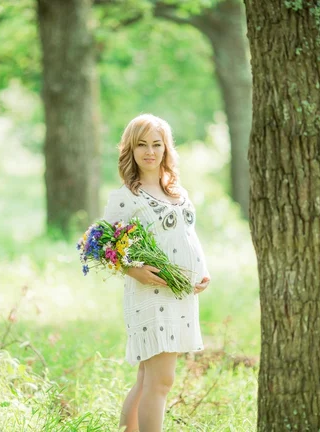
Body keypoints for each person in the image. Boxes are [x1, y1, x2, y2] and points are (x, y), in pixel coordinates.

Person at [103, 113, 211, 432]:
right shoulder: (126, 197)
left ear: (166, 149)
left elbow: (189, 234)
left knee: (147, 378)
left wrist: (201, 271)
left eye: (156, 144)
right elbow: (100, 245)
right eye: (142, 145)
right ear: (131, 150)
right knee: (162, 381)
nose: (150, 152)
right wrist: (134, 270)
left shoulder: (177, 191)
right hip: (149, 295)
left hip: (180, 294)